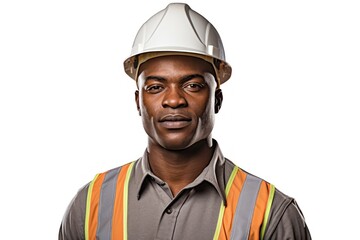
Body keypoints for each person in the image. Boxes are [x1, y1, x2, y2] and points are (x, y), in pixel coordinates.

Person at [59, 3, 311, 240]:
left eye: (192, 85)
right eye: (156, 87)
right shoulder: (91, 203)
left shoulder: (271, 213)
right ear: (138, 102)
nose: (174, 100)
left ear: (217, 100)